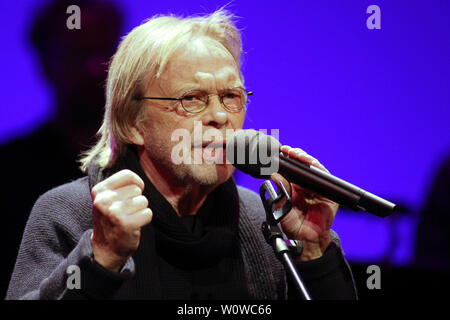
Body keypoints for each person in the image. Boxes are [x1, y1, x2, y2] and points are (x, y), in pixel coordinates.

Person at [6, 9, 357, 300]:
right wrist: (101, 259)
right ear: (132, 123)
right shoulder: (70, 212)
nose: (219, 116)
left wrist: (313, 250)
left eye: (231, 97)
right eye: (191, 98)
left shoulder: (260, 219)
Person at [0, 0, 122, 298]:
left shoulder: (163, 161)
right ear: (45, 63)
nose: (94, 68)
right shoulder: (8, 170)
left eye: (104, 52)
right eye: (77, 55)